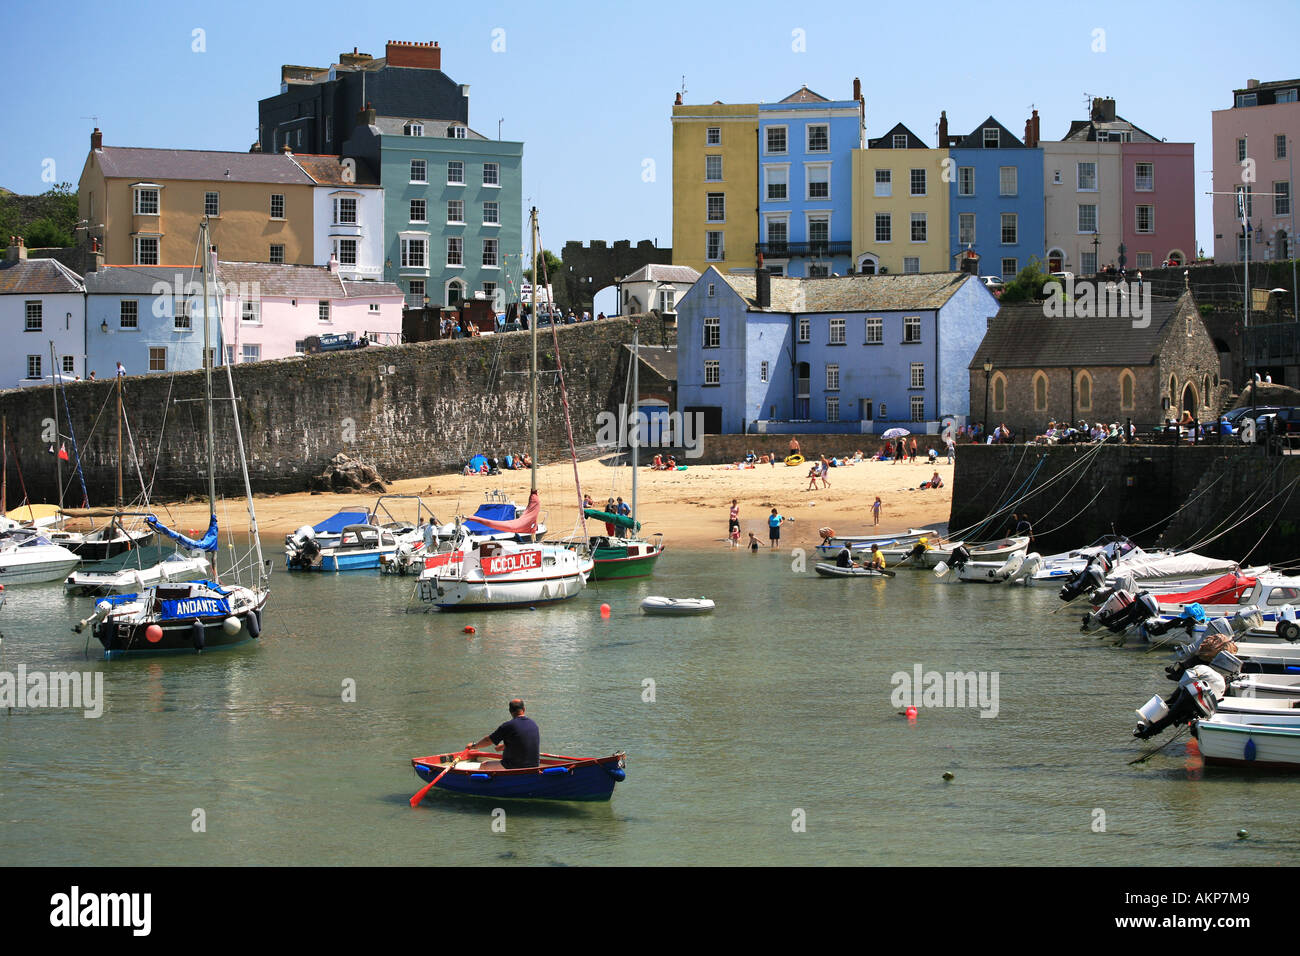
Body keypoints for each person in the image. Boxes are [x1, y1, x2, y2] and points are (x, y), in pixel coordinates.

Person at [466, 699, 540, 770]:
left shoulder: (508, 726)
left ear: (510, 711)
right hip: (535, 765)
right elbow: (522, 739)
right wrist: (505, 746)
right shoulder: (533, 724)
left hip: (514, 766)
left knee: (484, 765)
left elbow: (488, 740)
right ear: (524, 709)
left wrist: (474, 746)